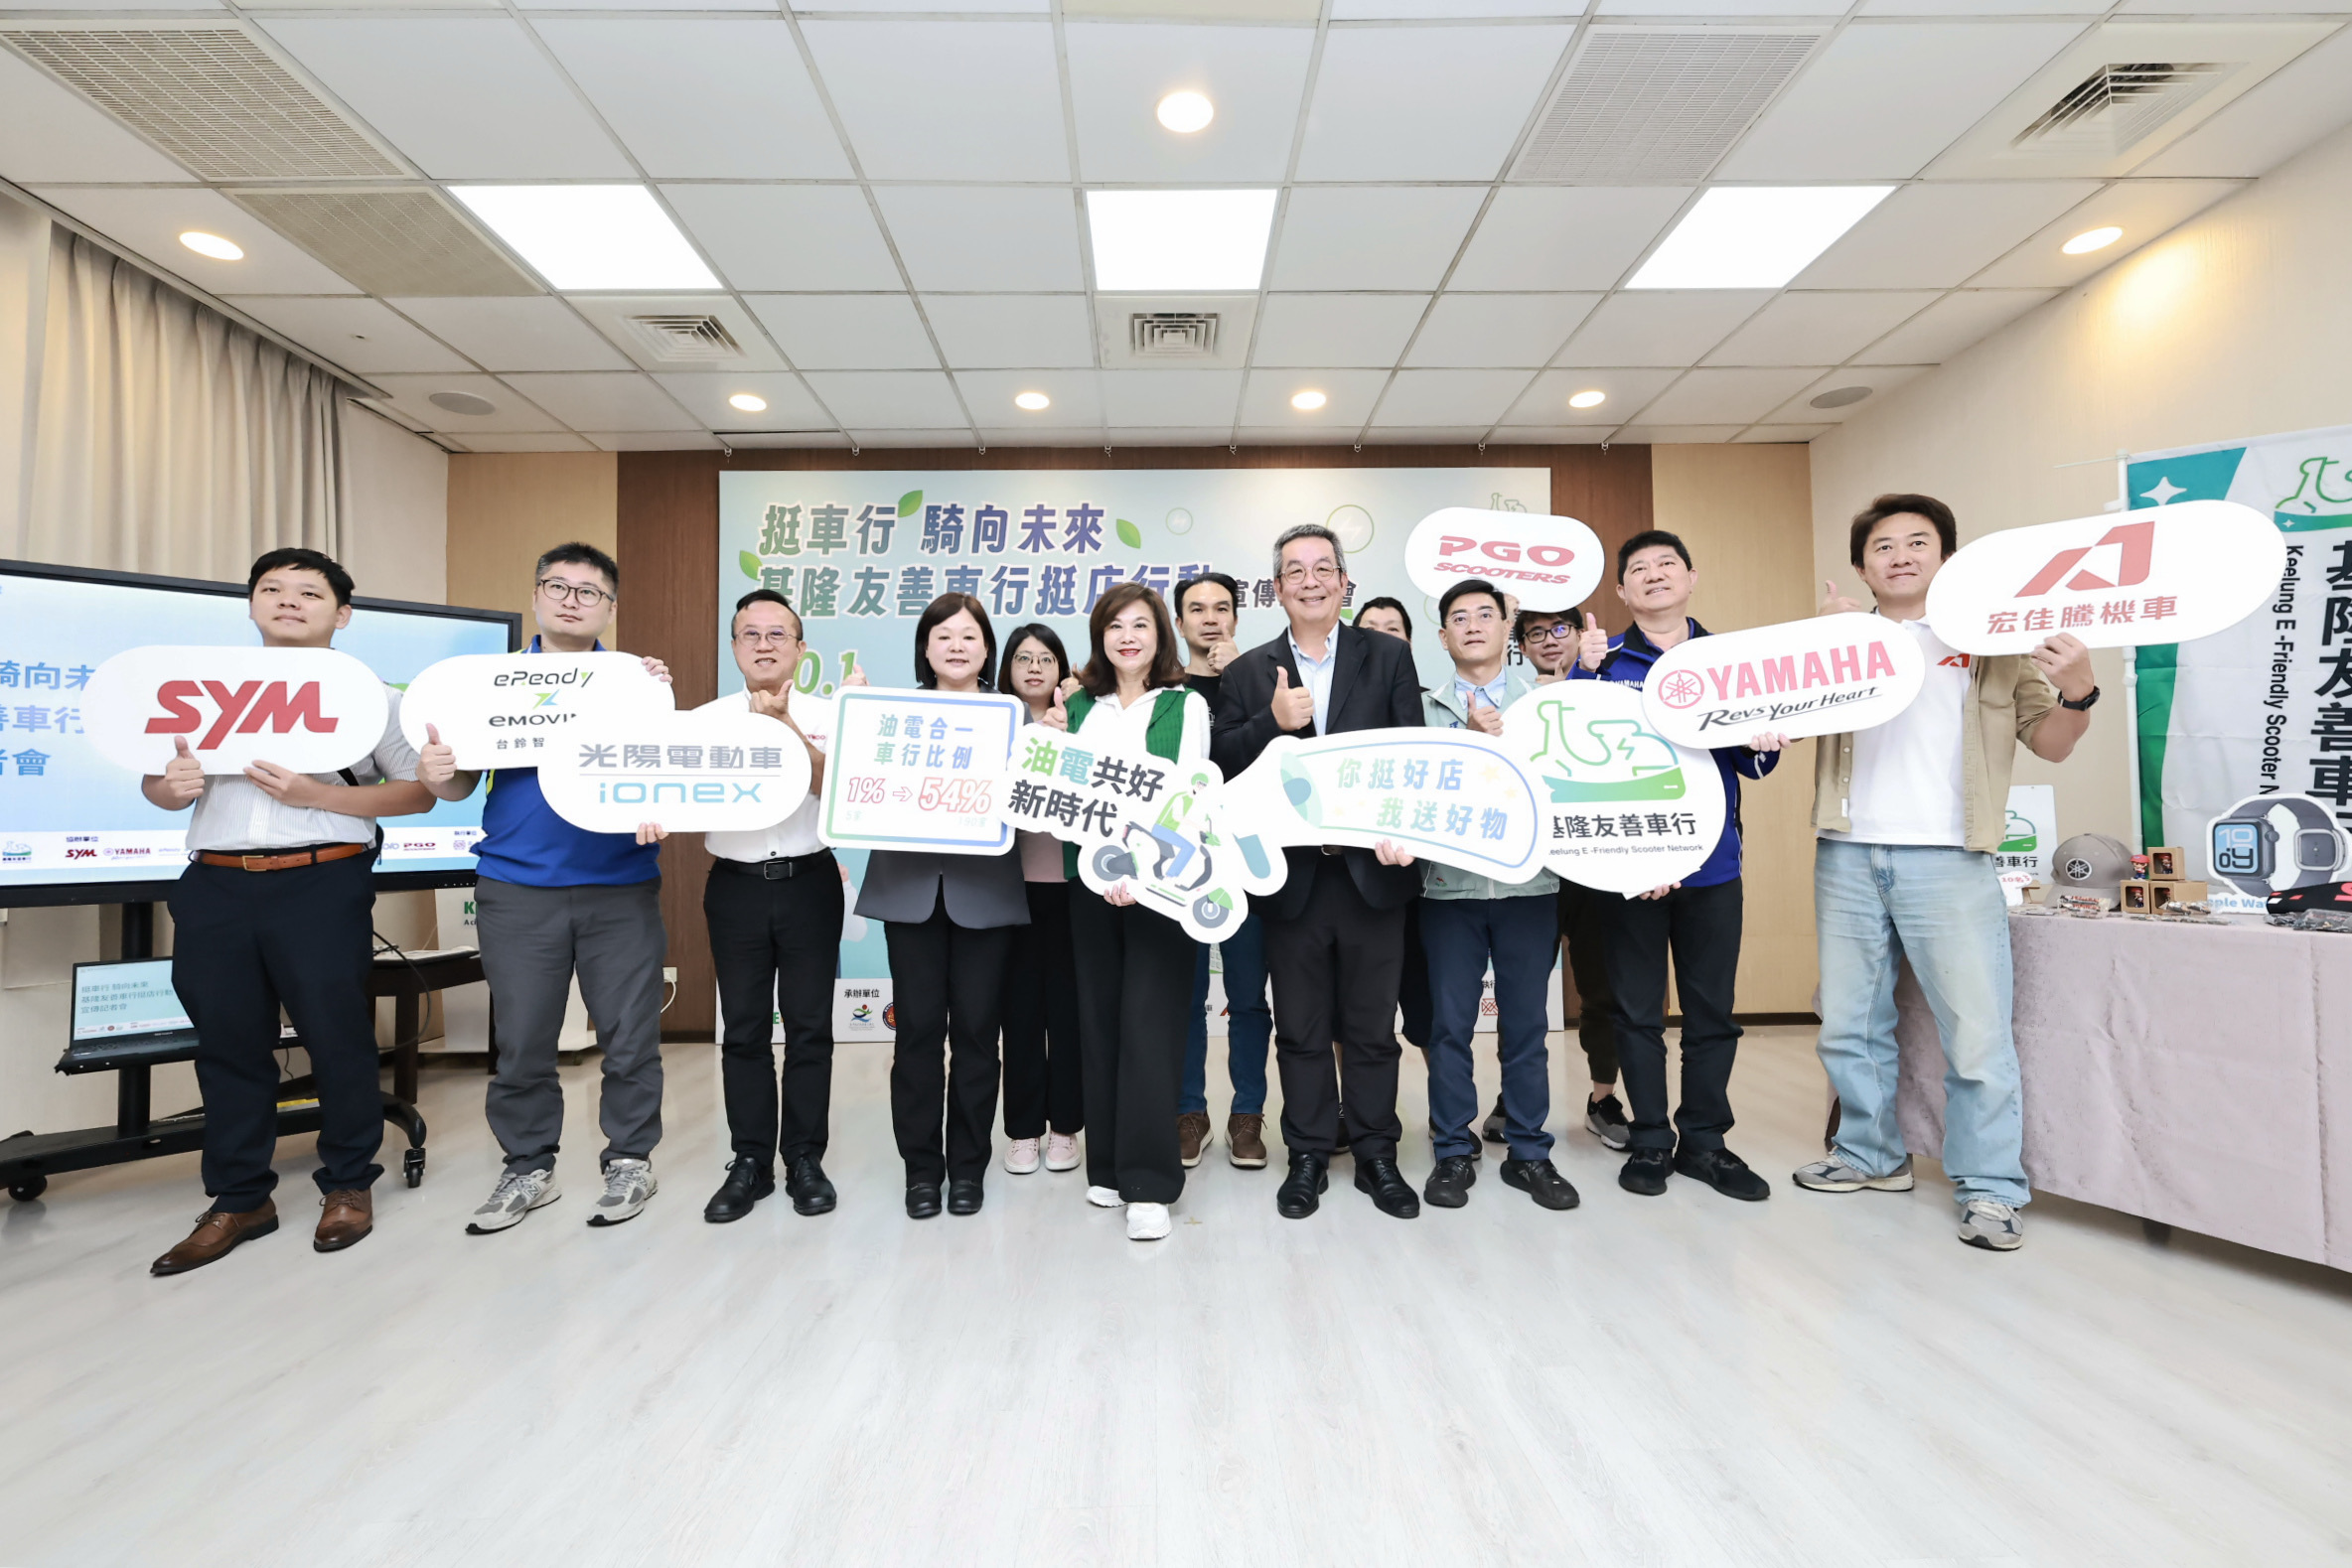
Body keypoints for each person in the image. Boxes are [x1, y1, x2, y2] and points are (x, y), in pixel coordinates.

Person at [1795, 495, 2096, 1252]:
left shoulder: (1994, 641)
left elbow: (2053, 741)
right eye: (1883, 546)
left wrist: (2080, 689)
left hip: (1952, 856)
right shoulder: (1840, 641)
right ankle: (1869, 1154)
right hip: (1847, 849)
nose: (1899, 555)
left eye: (1917, 542)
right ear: (1861, 566)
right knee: (1851, 1023)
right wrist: (1815, 650)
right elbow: (1782, 725)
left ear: (1948, 557)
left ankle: (1991, 1186)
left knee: (1976, 1030)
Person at [146, 549, 436, 1275]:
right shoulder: (205, 692)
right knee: (227, 1043)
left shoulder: (373, 697)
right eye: (271, 589)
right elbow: (157, 783)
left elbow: (417, 792)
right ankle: (240, 1197)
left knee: (337, 1038)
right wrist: (168, 788)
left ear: (343, 614)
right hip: (214, 882)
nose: (287, 601)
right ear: (251, 606)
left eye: (309, 592)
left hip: (322, 880)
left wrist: (319, 796)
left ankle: (348, 1182)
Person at [416, 542, 675, 1234]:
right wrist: (437, 769)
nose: (571, 600)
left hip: (619, 885)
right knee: (524, 1039)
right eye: (557, 587)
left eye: (589, 592)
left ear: (609, 609)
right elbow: (457, 785)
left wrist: (663, 800)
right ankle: (528, 1165)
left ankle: (631, 1160)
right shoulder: (488, 686)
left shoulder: (635, 685)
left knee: (629, 1038)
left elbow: (663, 774)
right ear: (535, 597)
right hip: (516, 885)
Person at [1211, 523, 1426, 1220]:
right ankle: (1306, 1152)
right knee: (1301, 1028)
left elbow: (1412, 758)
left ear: (1343, 581)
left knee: (1371, 1029)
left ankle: (1376, 1152)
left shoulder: (1387, 656)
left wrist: (1406, 834)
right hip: (1292, 881)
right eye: (1296, 571)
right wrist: (1271, 722)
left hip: (1373, 878)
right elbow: (1220, 768)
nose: (1311, 580)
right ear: (1277, 588)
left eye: (1323, 568)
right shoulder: (1249, 672)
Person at [1569, 530, 1782, 1204]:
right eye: (1639, 568)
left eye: (1667, 564)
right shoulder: (1604, 660)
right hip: (1632, 864)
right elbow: (1569, 752)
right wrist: (1581, 672)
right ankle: (1651, 1139)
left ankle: (1706, 1142)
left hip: (1712, 865)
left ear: (1692, 577)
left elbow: (1756, 764)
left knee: (1711, 1012)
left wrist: (1763, 737)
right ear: (1623, 590)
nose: (1655, 574)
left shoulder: (1728, 661)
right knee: (1637, 1012)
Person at [855, 593, 1029, 1219]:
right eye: (943, 636)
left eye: (969, 636)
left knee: (979, 1036)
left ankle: (969, 1169)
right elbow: (858, 787)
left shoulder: (1015, 718)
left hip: (985, 895)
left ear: (987, 649)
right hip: (910, 893)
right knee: (918, 1036)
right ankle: (922, 1170)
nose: (957, 646)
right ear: (925, 650)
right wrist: (854, 724)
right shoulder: (889, 717)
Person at [1045, 583, 1211, 1241]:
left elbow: (1187, 798)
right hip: (1088, 881)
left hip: (1161, 889)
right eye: (1115, 626)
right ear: (1100, 636)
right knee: (1100, 1022)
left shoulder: (1185, 704)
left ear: (1160, 634)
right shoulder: (1077, 705)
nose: (1128, 636)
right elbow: (1061, 794)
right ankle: (1110, 1167)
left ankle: (1150, 1182)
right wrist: (1048, 744)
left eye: (1141, 624)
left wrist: (1136, 870)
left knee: (1149, 1026)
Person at [1416, 580, 1580, 1212]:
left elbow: (1563, 786)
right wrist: (1468, 744)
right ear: (1443, 637)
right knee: (1449, 1028)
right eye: (1459, 618)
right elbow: (1416, 794)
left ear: (1507, 627)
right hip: (1447, 891)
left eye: (1486, 614)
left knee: (1527, 1027)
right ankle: (1453, 1150)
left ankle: (1529, 1152)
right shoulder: (1422, 708)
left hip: (1528, 888)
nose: (1474, 625)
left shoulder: (1542, 704)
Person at [687, 589, 842, 1223]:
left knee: (809, 1028)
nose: (764, 644)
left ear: (801, 648)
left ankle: (804, 1156)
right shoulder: (703, 720)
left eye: (778, 634)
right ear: (734, 647)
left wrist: (783, 726)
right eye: (750, 634)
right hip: (736, 887)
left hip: (810, 883)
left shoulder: (830, 715)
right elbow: (674, 790)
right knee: (744, 1029)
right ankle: (749, 1159)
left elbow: (833, 788)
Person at [1514, 604, 1629, 1150]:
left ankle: (1603, 1097)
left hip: (1593, 865)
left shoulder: (1607, 692)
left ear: (1582, 635)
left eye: (1561, 629)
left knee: (1600, 989)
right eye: (1535, 633)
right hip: (1530, 867)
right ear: (1521, 647)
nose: (1549, 640)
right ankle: (1512, 1099)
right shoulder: (1510, 701)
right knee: (1522, 992)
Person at [1169, 573, 1273, 1170]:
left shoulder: (1263, 679)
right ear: (1179, 622)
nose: (1210, 618)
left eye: (1222, 608)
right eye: (1197, 609)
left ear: (1237, 617)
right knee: (1183, 995)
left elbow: (1278, 759)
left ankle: (1247, 1115)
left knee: (1248, 995)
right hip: (1178, 864)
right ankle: (1189, 1112)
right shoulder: (1164, 690)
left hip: (1246, 860)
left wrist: (1243, 680)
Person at [996, 623, 1085, 1177]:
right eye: (1023, 658)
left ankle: (1067, 1127)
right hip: (1010, 892)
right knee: (1021, 1014)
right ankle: (1024, 1130)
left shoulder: (1085, 719)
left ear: (1062, 668)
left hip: (1074, 890)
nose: (1034, 667)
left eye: (1046, 658)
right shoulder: (989, 722)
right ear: (1006, 667)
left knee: (1070, 1014)